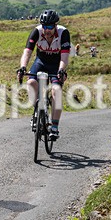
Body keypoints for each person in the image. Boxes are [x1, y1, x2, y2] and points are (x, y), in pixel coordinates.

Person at [16, 10, 70, 141]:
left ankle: (55, 127)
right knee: (31, 83)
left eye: (50, 27)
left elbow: (64, 56)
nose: (47, 30)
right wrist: (23, 67)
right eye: (45, 26)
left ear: (55, 25)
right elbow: (27, 52)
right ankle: (37, 111)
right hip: (41, 62)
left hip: (56, 64)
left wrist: (61, 70)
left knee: (56, 90)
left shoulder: (63, 33)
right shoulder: (37, 31)